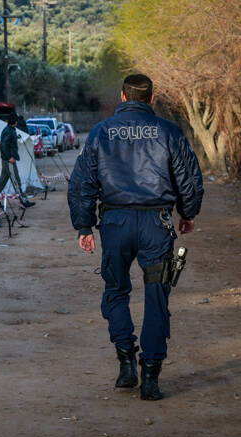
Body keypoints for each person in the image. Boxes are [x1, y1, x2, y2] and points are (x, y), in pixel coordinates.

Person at [68, 74, 204, 401]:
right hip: (157, 224)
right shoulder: (169, 131)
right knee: (158, 295)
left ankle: (126, 361)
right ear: (152, 97)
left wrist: (84, 227)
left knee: (116, 289)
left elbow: (81, 183)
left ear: (122, 96)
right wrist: (188, 213)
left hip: (115, 224)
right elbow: (188, 178)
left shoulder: (101, 132)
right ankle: (152, 377)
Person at [0, 113, 35, 208]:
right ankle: (22, 201)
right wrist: (9, 157)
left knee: (3, 180)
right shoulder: (9, 131)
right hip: (9, 160)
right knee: (16, 179)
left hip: (6, 160)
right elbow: (4, 145)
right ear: (15, 122)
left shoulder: (9, 130)